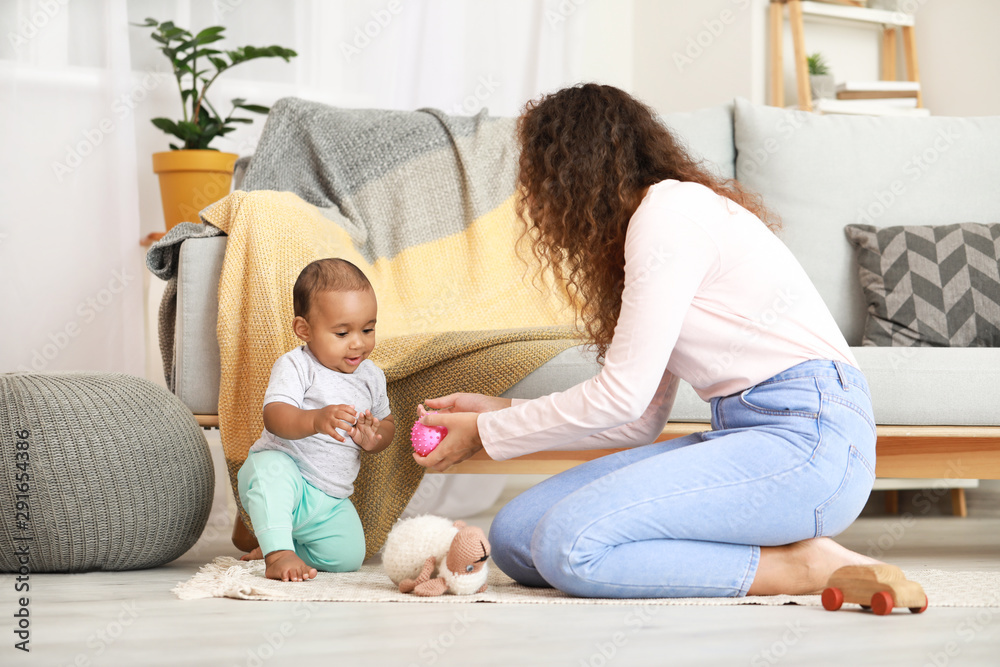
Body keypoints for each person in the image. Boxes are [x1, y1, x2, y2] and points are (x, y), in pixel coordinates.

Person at [412, 83, 880, 599]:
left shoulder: (669, 218)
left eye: (536, 174)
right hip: (748, 435)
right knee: (517, 537)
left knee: (569, 547)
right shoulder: (654, 227)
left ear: (569, 171)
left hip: (811, 442)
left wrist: (486, 429)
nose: (533, 194)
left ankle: (801, 566)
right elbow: (637, 418)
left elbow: (621, 396)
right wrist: (496, 411)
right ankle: (755, 555)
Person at [239, 258, 395, 582]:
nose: (359, 342)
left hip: (330, 497)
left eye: (368, 329)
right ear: (304, 329)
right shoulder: (297, 366)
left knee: (349, 556)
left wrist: (375, 438)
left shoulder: (372, 377)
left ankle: (279, 542)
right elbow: (274, 416)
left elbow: (387, 424)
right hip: (289, 476)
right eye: (342, 332)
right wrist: (314, 420)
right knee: (271, 471)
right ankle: (277, 553)